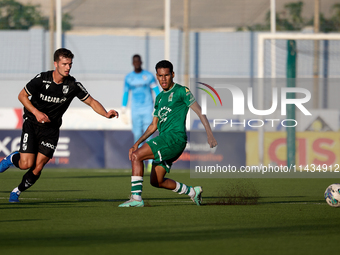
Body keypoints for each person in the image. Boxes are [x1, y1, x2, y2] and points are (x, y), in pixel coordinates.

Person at [0, 48, 118, 203]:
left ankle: (16, 192)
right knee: (25, 164)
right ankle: (11, 158)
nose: (68, 67)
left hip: (51, 130)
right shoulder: (42, 79)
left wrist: (105, 113)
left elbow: (91, 101)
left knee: (38, 167)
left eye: (70, 64)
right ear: (56, 64)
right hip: (32, 124)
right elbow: (22, 95)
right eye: (64, 64)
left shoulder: (73, 84)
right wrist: (36, 112)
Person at [118, 60, 217, 207]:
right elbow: (153, 126)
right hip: (165, 139)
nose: (163, 79)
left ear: (172, 75)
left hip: (175, 138)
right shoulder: (159, 98)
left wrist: (209, 134)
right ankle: (192, 192)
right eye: (160, 76)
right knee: (156, 181)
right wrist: (136, 143)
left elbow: (200, 111)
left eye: (166, 75)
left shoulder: (182, 91)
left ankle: (136, 199)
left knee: (136, 156)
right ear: (156, 76)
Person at [121, 54, 160, 172]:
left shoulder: (148, 76)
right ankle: (137, 160)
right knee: (137, 136)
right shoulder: (129, 78)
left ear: (141, 62)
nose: (137, 63)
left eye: (138, 61)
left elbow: (156, 90)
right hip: (135, 110)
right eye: (135, 62)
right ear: (133, 63)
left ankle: (151, 162)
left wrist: (158, 105)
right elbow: (126, 93)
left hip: (148, 109)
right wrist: (123, 108)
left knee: (149, 135)